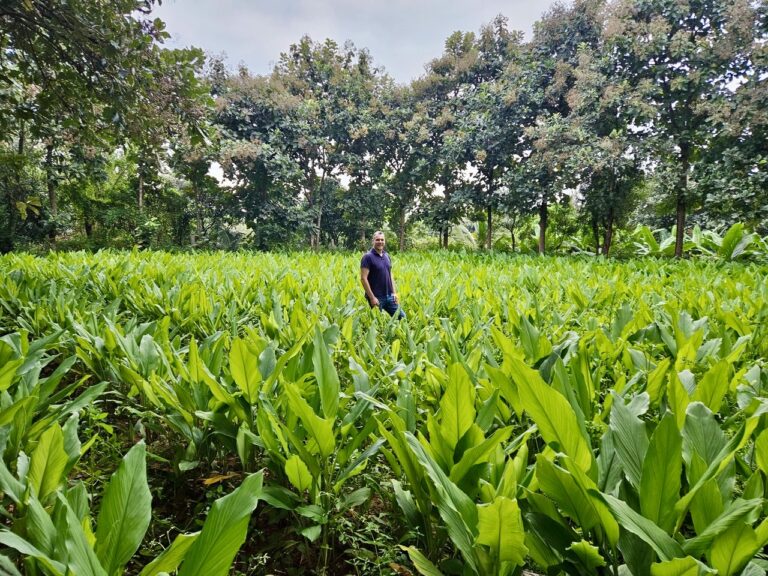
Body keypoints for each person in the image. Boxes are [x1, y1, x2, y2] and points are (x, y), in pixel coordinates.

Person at [360, 231, 405, 318]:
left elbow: (390, 275)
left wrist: (394, 293)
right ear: (373, 241)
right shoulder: (367, 257)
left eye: (382, 240)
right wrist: (372, 297)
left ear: (384, 241)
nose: (380, 242)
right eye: (377, 240)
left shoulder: (386, 255)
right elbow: (363, 278)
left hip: (389, 296)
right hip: (376, 297)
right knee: (377, 322)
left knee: (402, 317)